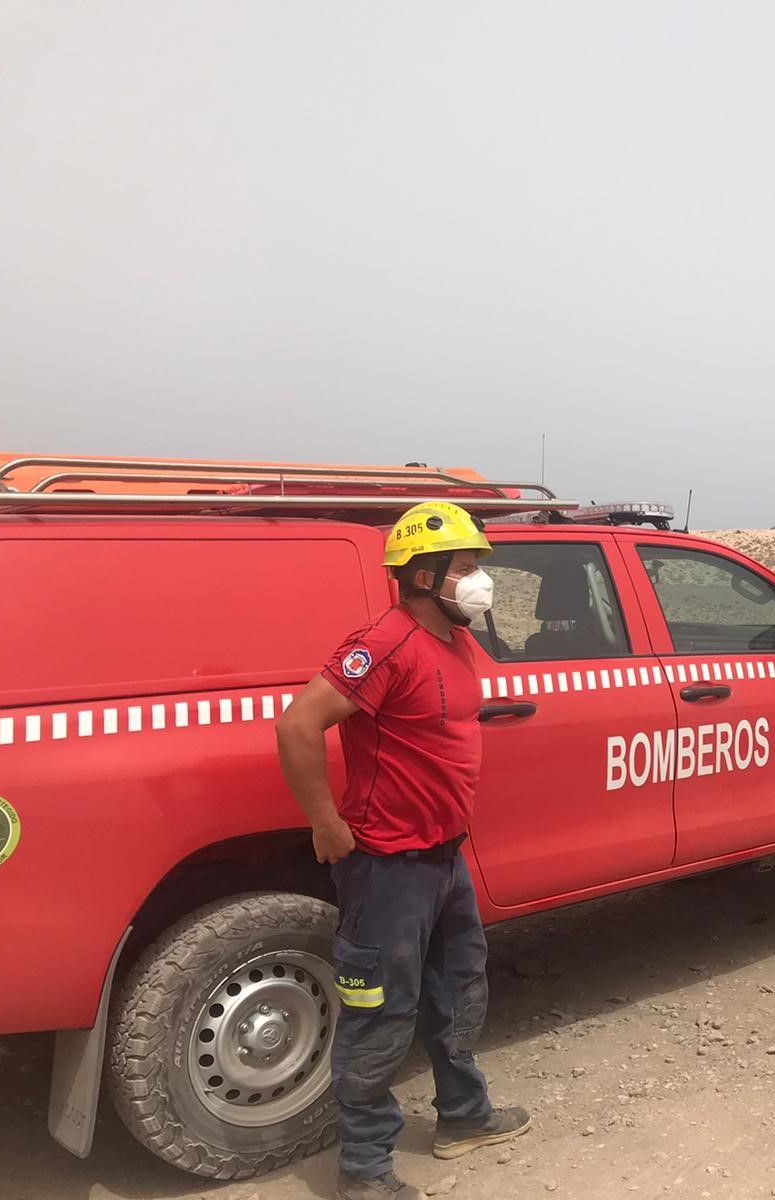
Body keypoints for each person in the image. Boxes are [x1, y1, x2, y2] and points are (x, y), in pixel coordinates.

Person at [277, 501, 531, 1200]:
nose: (480, 581)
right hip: (388, 867)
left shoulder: (454, 637)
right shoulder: (382, 643)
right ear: (424, 575)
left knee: (458, 990)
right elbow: (299, 725)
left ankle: (464, 1117)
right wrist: (325, 821)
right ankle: (363, 1171)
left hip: (444, 858)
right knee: (381, 1013)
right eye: (468, 568)